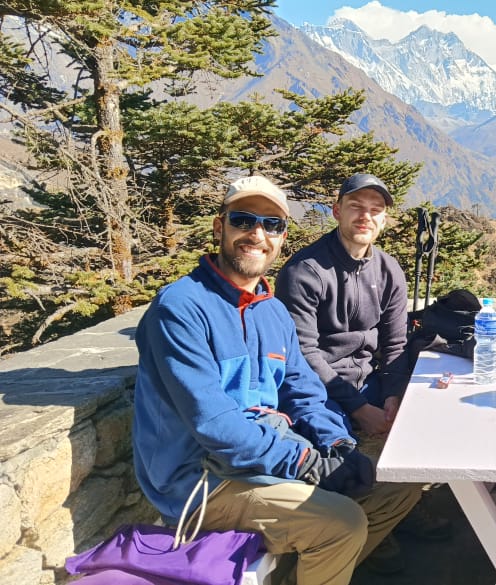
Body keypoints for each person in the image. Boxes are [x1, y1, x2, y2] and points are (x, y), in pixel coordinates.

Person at [132, 175, 420, 584]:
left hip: (264, 459)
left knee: (397, 488)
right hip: (204, 481)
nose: (257, 234)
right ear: (219, 227)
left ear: (282, 236)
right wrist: (307, 463)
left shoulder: (270, 310)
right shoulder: (180, 309)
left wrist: (337, 443)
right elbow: (216, 425)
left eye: (272, 225)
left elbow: (304, 393)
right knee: (342, 524)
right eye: (243, 220)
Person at [275, 173, 450, 569]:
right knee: (347, 462)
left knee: (422, 434)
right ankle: (364, 534)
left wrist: (392, 396)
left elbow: (395, 345)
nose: (365, 216)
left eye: (375, 210)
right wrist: (358, 408)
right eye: (356, 206)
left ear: (384, 220)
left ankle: (396, 515)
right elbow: (303, 353)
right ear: (337, 211)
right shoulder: (305, 271)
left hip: (369, 383)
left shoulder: (388, 270)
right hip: (319, 392)